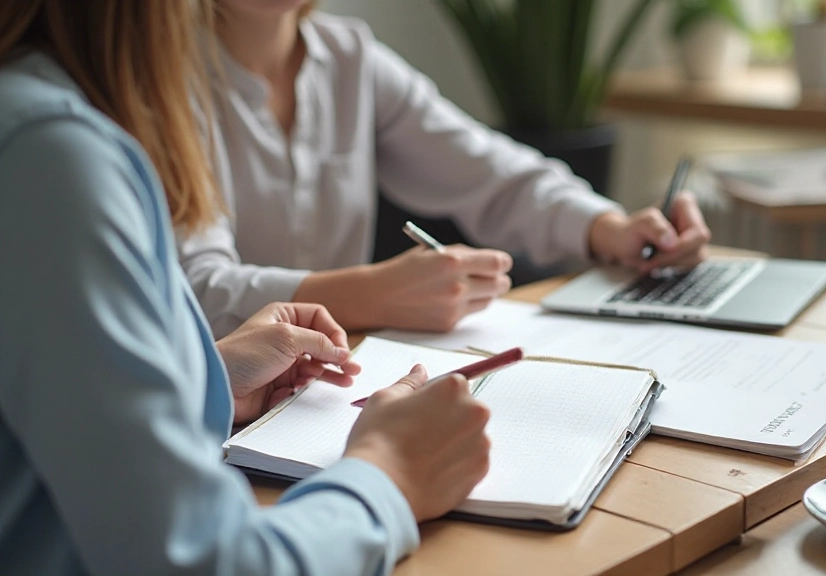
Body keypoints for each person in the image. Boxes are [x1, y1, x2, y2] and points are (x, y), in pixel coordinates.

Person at [0, 2, 490, 574]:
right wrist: (390, 473)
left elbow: (61, 402)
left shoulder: (44, 120)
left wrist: (206, 380)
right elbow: (202, 562)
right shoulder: (52, 159)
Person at [178, 0, 713, 338]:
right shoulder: (159, 85)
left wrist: (610, 227)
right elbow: (191, 290)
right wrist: (372, 294)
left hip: (331, 380)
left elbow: (493, 173)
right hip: (214, 400)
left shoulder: (350, 59)